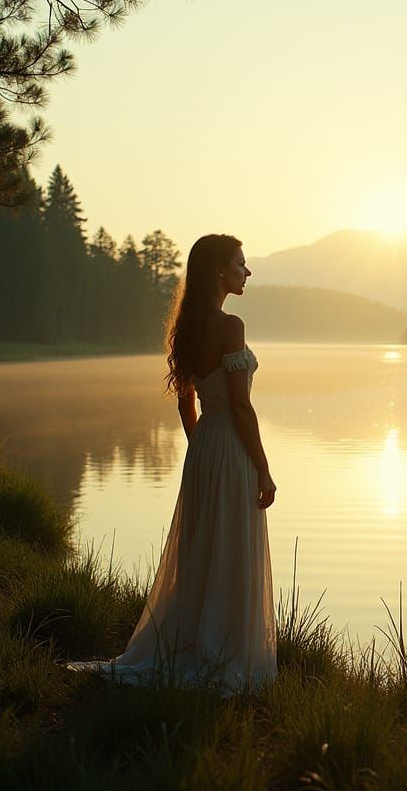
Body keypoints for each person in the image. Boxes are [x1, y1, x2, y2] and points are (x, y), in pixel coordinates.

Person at [69, 233, 278, 691]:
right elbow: (241, 408)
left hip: (204, 447)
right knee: (228, 546)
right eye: (241, 263)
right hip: (229, 446)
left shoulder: (186, 326)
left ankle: (193, 643)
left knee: (203, 544)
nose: (248, 271)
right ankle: (222, 650)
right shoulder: (230, 326)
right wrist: (262, 467)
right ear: (220, 271)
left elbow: (185, 402)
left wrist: (198, 442)